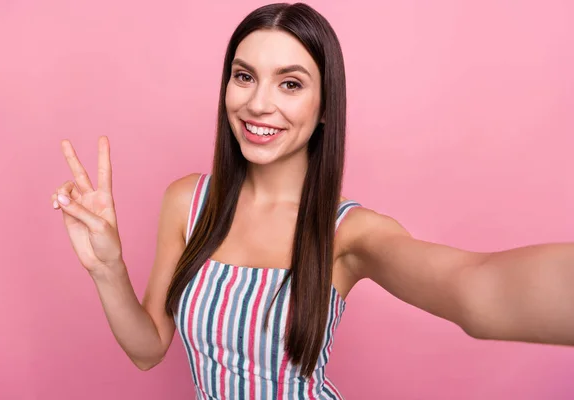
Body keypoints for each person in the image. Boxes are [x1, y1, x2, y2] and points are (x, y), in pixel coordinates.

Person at [51, 2, 574, 399]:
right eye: (245, 76)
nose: (258, 102)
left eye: (291, 83)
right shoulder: (188, 202)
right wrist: (107, 268)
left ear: (326, 107)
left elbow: (476, 292)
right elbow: (148, 351)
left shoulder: (350, 233)